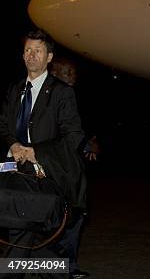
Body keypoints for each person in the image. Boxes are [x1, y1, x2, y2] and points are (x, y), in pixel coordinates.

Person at [0, 29, 86, 278]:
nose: (32, 55)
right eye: (28, 50)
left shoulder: (61, 92)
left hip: (45, 175)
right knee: (26, 234)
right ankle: (58, 271)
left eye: (38, 50)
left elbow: (74, 136)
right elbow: (4, 126)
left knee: (22, 230)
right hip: (14, 173)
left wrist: (36, 152)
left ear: (49, 57)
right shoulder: (15, 90)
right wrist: (14, 145)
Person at [49, 56, 96, 279]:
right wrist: (86, 143)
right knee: (66, 217)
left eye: (73, 72)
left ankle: (63, 267)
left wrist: (86, 148)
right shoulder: (52, 97)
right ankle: (59, 268)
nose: (72, 76)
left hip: (69, 169)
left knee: (73, 217)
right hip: (55, 171)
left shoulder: (67, 97)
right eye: (67, 72)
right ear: (54, 73)